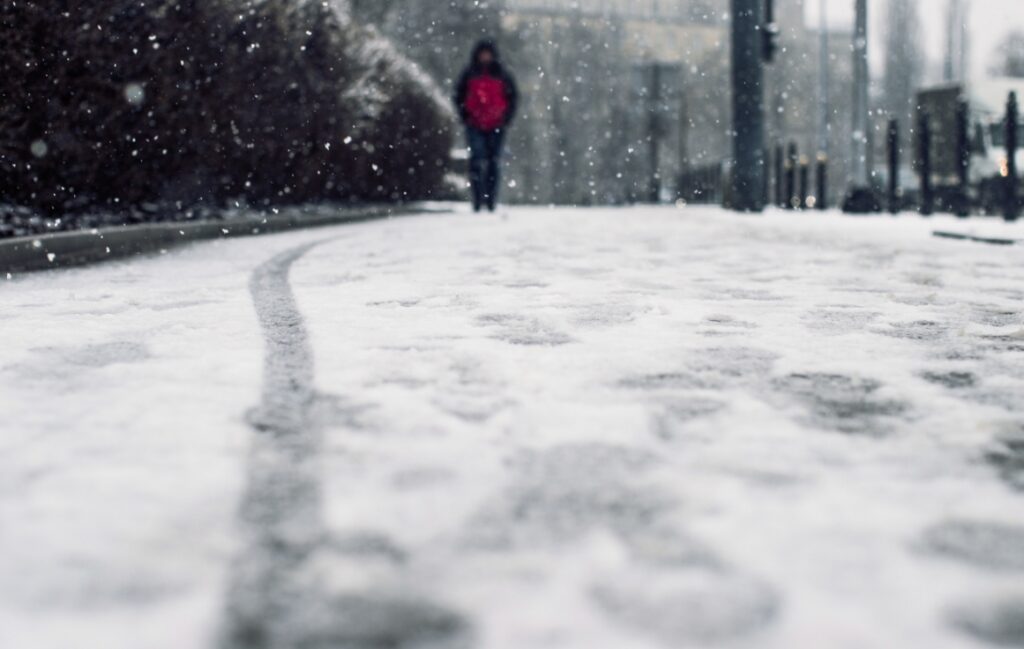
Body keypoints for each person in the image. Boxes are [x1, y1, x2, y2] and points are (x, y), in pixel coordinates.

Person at [454, 40, 518, 212]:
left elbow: (512, 98)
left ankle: (490, 201)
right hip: (474, 124)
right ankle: (477, 200)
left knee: (492, 163)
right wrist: (466, 116)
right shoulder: (469, 73)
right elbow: (459, 96)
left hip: (496, 124)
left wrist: (506, 118)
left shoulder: (502, 74)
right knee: (476, 161)